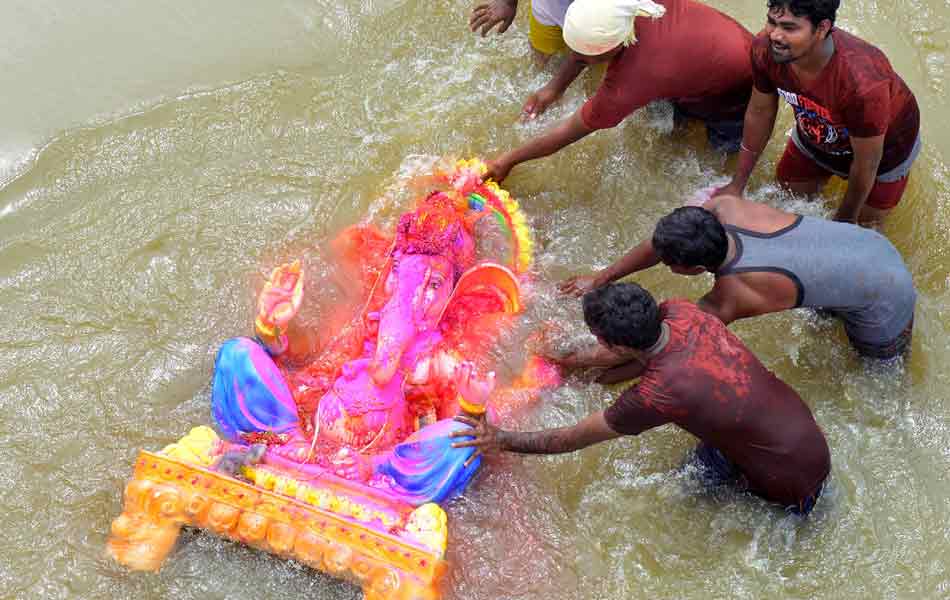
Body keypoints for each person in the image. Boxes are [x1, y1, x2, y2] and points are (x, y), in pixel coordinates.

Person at [451, 283, 831, 515]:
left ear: (611, 342)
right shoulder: (682, 311)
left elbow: (570, 439)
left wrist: (500, 439)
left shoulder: (656, 393)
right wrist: (564, 358)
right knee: (700, 467)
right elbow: (630, 352)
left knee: (685, 496)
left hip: (788, 484)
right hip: (802, 437)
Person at [559, 194, 916, 360]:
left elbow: (662, 344)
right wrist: (602, 278)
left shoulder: (734, 295)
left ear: (695, 271)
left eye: (671, 265)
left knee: (875, 366)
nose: (664, 263)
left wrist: (574, 359)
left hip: (885, 298)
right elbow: (660, 244)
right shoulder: (724, 208)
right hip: (870, 247)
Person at [482, 0, 754, 182]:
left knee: (714, 153)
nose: (577, 59)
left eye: (586, 57)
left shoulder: (633, 79)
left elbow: (571, 130)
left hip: (737, 91)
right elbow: (586, 49)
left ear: (611, 48)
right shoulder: (622, 8)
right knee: (670, 124)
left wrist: (508, 160)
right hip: (721, 46)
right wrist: (554, 88)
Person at [714, 0, 921, 226]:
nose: (775, 35)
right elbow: (759, 112)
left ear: (822, 28)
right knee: (786, 203)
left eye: (789, 28)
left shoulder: (861, 83)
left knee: (863, 230)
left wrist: (845, 221)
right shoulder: (765, 49)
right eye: (772, 22)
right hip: (815, 139)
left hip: (885, 156)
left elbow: (867, 163)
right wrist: (737, 185)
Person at [469, 0, 573, 66]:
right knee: (543, 59)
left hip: (586, 15)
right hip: (549, 8)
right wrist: (508, 2)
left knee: (584, 58)